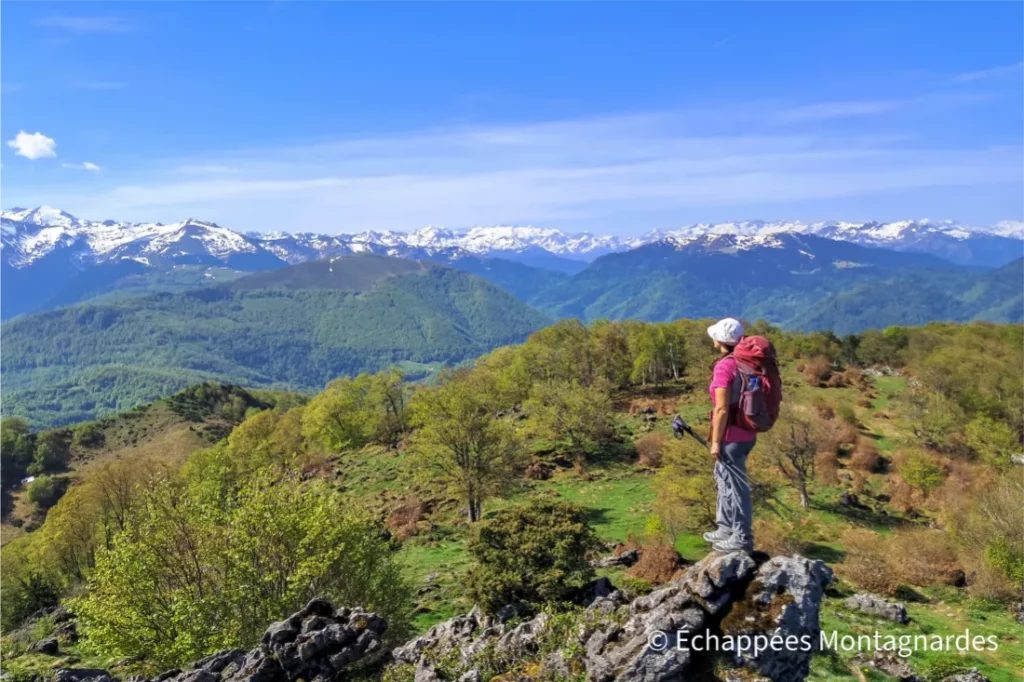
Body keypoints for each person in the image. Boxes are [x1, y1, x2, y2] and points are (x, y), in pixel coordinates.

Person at [704, 317, 756, 553]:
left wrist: (716, 441)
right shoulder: (748, 363)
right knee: (724, 480)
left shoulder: (725, 366)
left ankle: (741, 536)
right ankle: (725, 528)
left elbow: (722, 408)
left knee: (736, 487)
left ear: (719, 340)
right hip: (747, 433)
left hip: (730, 437)